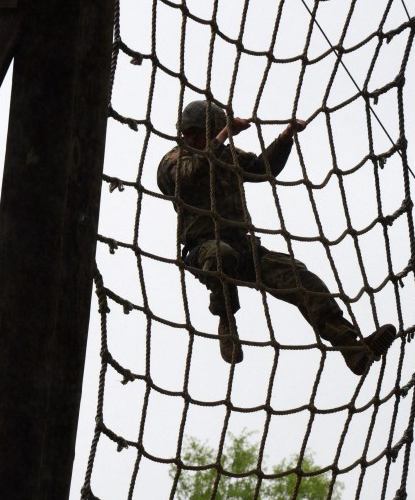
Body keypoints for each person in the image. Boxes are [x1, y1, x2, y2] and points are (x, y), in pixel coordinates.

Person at [157, 99, 396, 373]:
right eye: (203, 133)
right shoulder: (174, 161)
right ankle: (226, 319)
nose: (200, 138)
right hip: (204, 249)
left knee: (301, 279)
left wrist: (285, 138)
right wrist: (223, 136)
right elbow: (188, 176)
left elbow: (263, 168)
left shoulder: (226, 156)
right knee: (221, 255)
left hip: (245, 248)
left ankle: (352, 348)